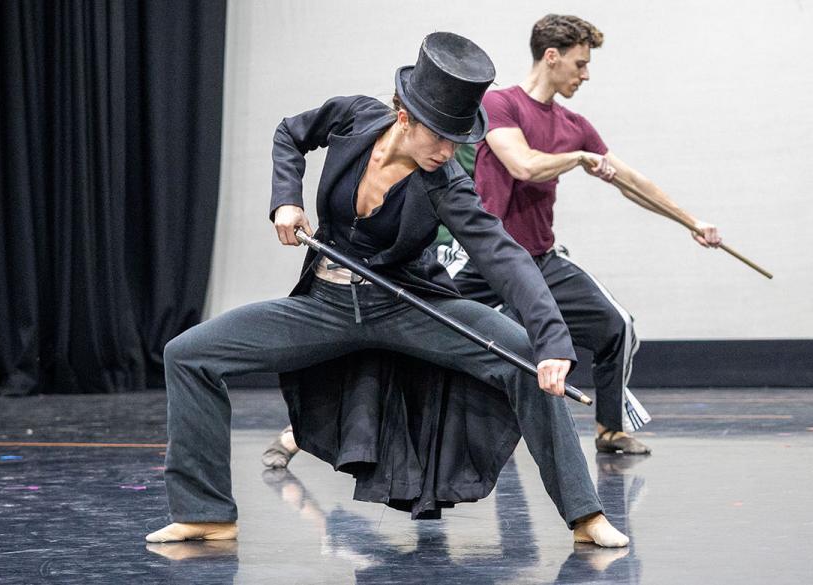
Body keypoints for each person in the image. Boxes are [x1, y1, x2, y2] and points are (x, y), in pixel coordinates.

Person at [146, 32, 628, 548]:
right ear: (404, 118)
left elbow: (503, 255)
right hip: (325, 304)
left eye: (458, 140)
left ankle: (586, 516)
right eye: (439, 137)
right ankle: (207, 513)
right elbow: (290, 133)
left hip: (407, 305)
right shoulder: (354, 119)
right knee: (188, 355)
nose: (448, 152)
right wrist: (285, 199)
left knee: (529, 362)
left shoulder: (445, 184)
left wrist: (553, 342)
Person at [443, 14, 724, 455]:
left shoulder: (573, 125)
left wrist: (692, 222)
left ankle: (611, 429)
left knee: (617, 326)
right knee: (426, 333)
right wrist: (576, 158)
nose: (586, 74)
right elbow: (523, 165)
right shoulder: (500, 104)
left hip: (540, 259)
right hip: (485, 261)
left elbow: (631, 181)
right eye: (580, 63)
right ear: (551, 57)